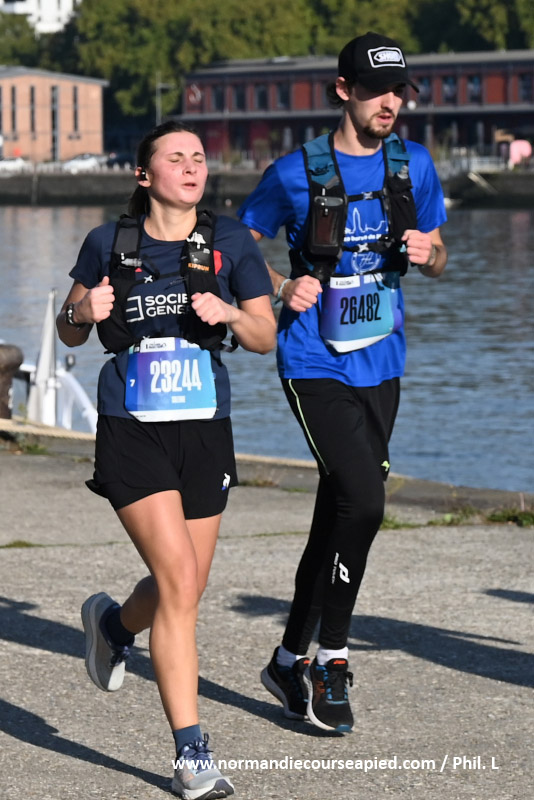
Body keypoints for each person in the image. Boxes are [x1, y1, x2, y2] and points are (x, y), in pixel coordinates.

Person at [57, 120, 276, 798]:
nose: (191, 166)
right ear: (144, 175)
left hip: (204, 428)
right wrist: (83, 311)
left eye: (199, 157)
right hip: (132, 426)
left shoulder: (231, 241)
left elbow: (264, 335)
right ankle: (192, 754)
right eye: (175, 157)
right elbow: (68, 328)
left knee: (185, 586)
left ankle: (113, 625)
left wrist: (230, 315)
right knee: (178, 578)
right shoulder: (109, 243)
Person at [238, 31, 448, 734]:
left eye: (399, 92)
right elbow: (235, 249)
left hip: (382, 359)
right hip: (312, 359)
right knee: (366, 499)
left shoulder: (414, 165)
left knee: (339, 513)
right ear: (342, 90)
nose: (390, 103)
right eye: (375, 90)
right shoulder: (293, 173)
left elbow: (439, 254)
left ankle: (285, 660)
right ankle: (331, 658)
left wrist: (430, 253)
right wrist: (280, 285)